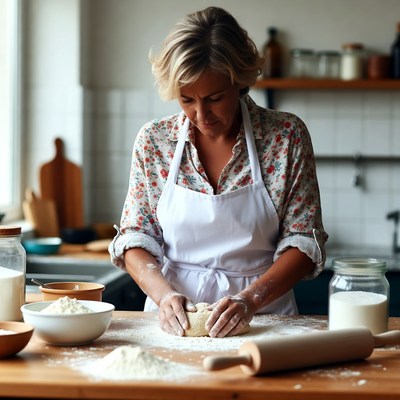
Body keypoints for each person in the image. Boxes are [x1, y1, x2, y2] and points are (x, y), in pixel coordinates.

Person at [109, 6, 328, 338]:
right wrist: (163, 295)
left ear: (239, 83)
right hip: (172, 323)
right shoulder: (155, 142)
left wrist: (249, 301)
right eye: (186, 100)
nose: (201, 114)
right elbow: (135, 237)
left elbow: (303, 242)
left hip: (264, 320)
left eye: (214, 98)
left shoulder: (284, 137)